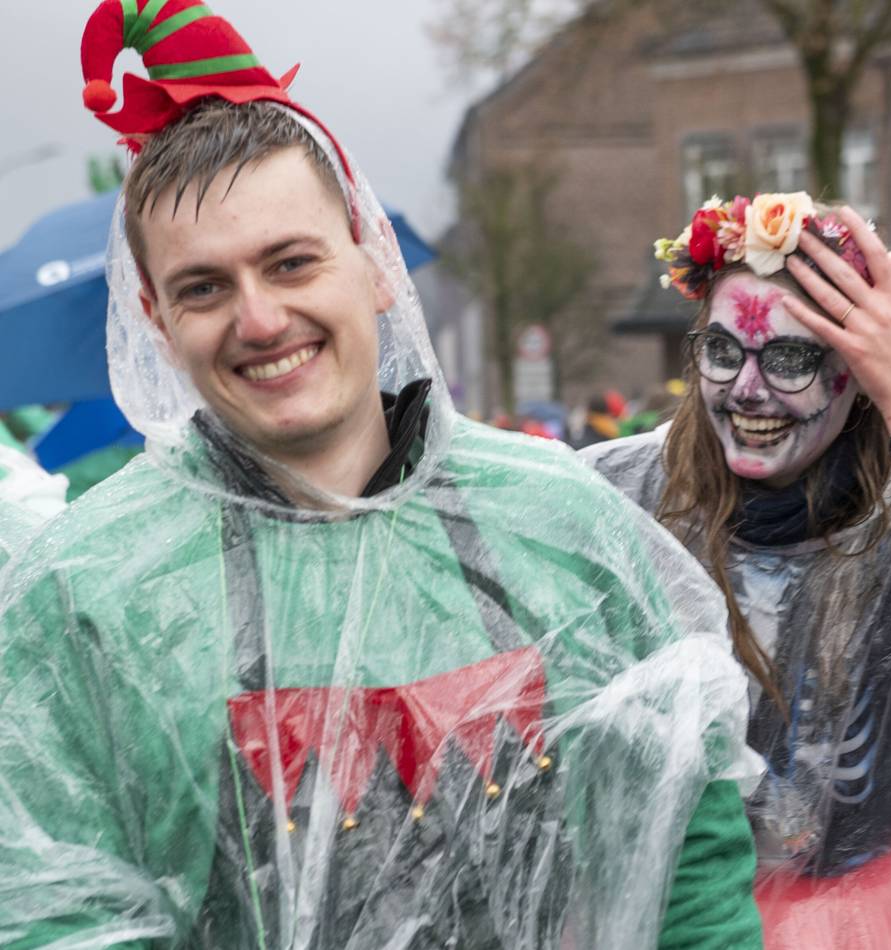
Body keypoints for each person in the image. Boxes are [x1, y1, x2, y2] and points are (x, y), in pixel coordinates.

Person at [0, 3, 764, 947]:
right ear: (156, 318)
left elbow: (688, 854)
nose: (261, 318)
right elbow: (50, 912)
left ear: (373, 263)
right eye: (205, 287)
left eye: (291, 263)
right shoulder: (84, 592)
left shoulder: (558, 522)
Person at [585, 192, 891, 948]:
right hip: (674, 920)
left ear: (859, 377)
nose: (747, 389)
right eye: (723, 351)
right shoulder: (617, 493)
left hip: (871, 917)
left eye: (790, 359)